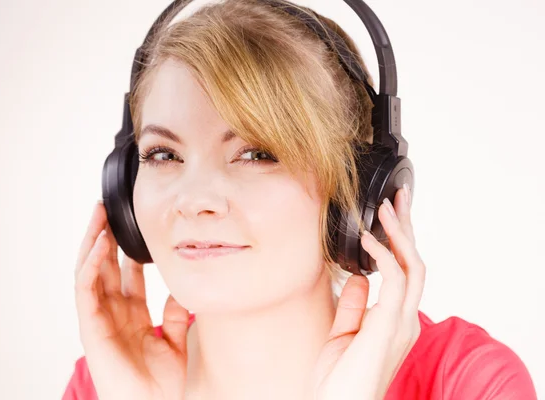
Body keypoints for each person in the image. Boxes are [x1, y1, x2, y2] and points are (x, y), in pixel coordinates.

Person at [63, 0, 537, 399]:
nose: (193, 201)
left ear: (354, 194)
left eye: (256, 154)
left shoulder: (468, 383)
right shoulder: (107, 378)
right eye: (163, 153)